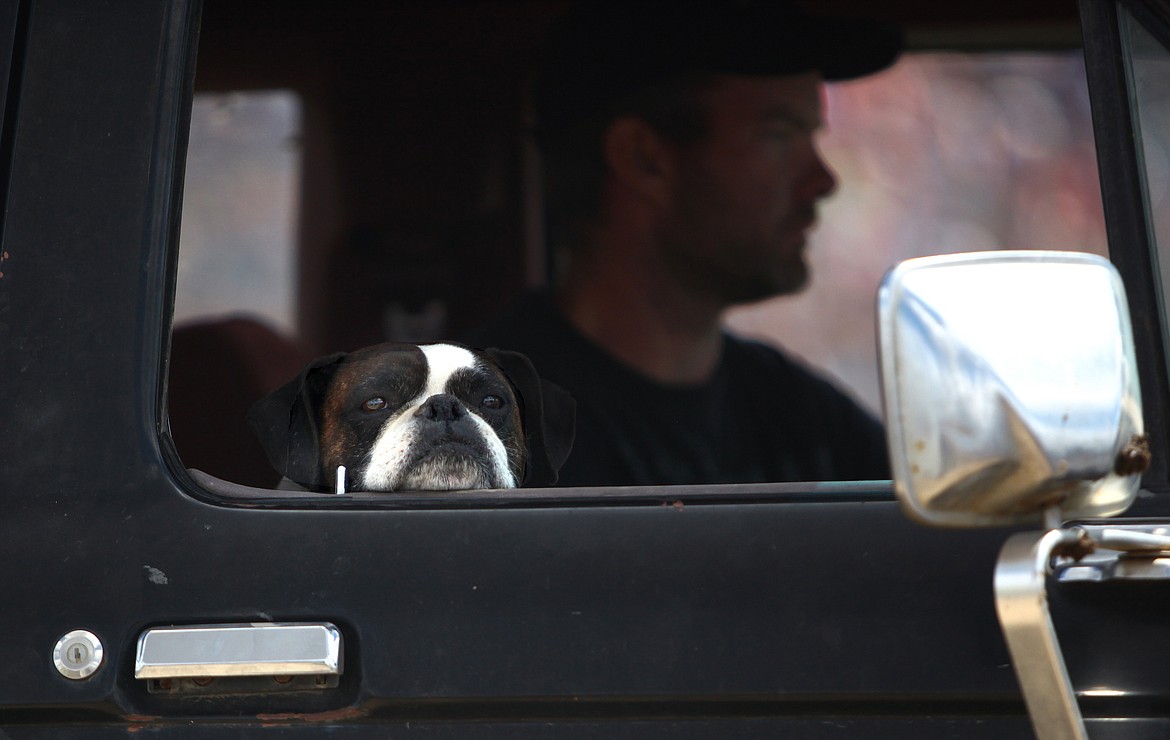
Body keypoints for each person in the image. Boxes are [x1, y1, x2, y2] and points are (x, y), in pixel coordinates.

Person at [463, 1, 902, 487]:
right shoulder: (485, 425)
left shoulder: (802, 418)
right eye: (778, 135)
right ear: (644, 159)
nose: (822, 180)